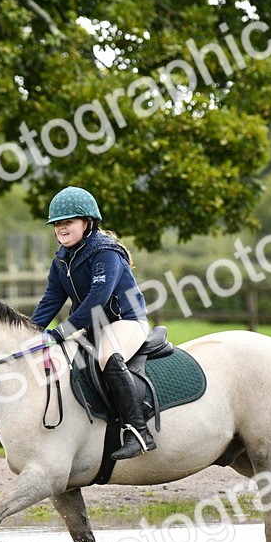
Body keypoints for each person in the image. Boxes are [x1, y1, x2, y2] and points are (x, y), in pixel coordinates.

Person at [30, 186, 156, 459]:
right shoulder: (61, 260)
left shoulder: (105, 251)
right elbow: (51, 299)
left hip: (126, 321)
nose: (61, 228)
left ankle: (139, 432)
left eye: (68, 222)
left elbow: (98, 298)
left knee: (107, 356)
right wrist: (29, 333)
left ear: (88, 222)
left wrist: (64, 330)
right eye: (57, 224)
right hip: (92, 327)